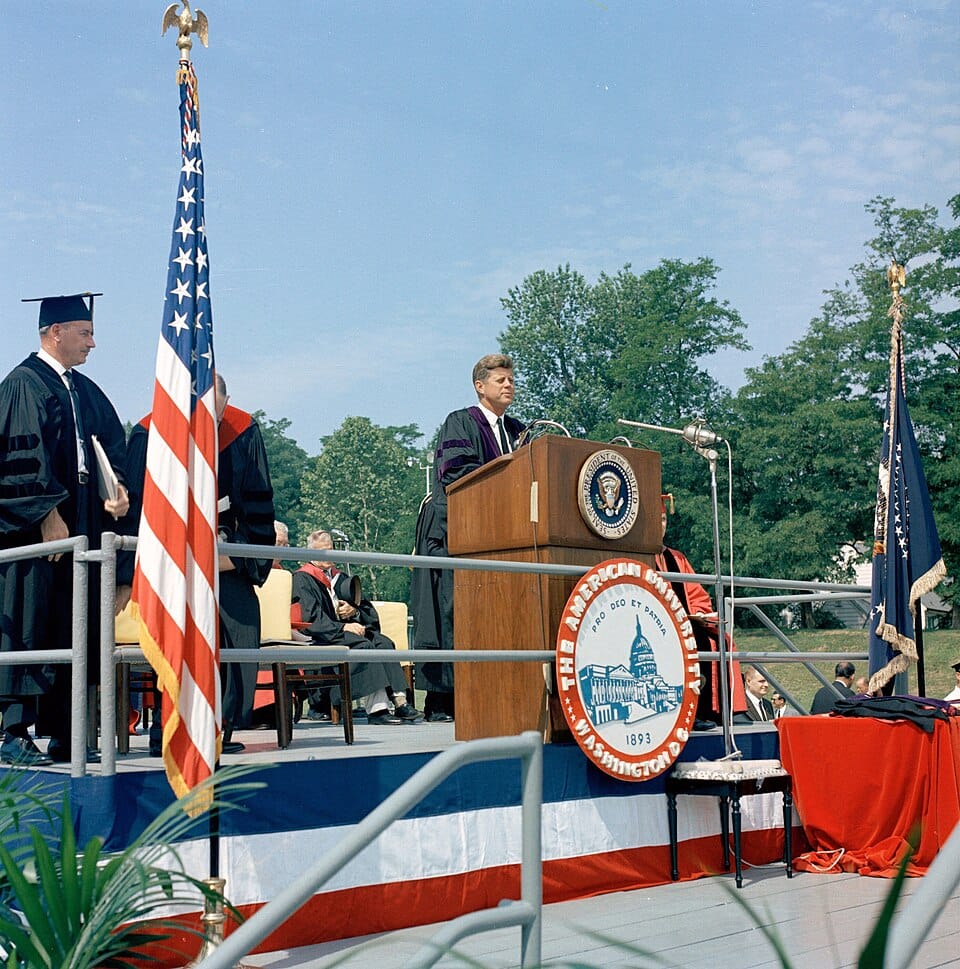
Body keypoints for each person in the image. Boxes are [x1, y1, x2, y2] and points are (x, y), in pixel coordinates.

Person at [0, 293, 130, 766]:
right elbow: (23, 460)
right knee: (32, 624)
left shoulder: (84, 390)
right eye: (85, 332)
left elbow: (112, 450)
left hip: (83, 522)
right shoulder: (23, 384)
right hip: (38, 533)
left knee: (73, 625)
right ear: (55, 333)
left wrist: (118, 491)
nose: (93, 343)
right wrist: (46, 516)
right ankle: (12, 733)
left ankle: (66, 730)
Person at [126, 374, 275, 754]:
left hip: (226, 557)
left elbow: (258, 504)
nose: (212, 425)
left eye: (218, 414)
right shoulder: (149, 432)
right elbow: (140, 508)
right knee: (173, 633)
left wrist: (236, 554)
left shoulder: (242, 430)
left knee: (240, 622)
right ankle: (167, 726)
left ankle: (217, 725)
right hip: (171, 560)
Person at [411, 353, 526, 722]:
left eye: (510, 379)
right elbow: (458, 475)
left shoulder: (518, 431)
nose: (508, 384)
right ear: (480, 386)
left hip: (503, 539)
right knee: (451, 615)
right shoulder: (461, 422)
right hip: (455, 532)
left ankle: (490, 691)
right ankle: (442, 701)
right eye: (500, 380)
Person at [293, 530, 420, 725]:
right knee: (365, 646)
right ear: (311, 554)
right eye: (322, 551)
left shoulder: (340, 578)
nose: (329, 555)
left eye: (331, 549)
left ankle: (400, 700)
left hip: (345, 632)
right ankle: (378, 710)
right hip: (323, 637)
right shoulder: (303, 579)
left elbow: (366, 610)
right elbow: (310, 618)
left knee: (383, 642)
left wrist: (354, 613)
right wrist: (343, 628)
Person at [654, 494, 747, 725]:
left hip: (686, 623)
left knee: (721, 641)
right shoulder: (639, 556)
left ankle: (726, 711)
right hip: (659, 625)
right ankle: (689, 712)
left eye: (664, 519)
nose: (661, 525)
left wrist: (699, 614)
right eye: (656, 520)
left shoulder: (676, 557)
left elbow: (697, 596)